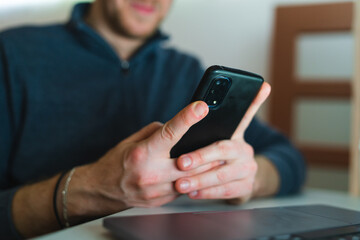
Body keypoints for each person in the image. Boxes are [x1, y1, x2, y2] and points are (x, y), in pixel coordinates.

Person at [0, 0, 306, 239]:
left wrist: (249, 179)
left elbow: (290, 160)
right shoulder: (11, 54)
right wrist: (89, 188)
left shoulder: (186, 70)